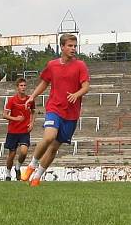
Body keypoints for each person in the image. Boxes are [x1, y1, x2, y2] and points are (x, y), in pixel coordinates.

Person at [20, 34, 90, 186]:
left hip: (71, 113)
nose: (73, 48)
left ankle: (37, 176)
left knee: (54, 147)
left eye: (75, 46)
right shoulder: (52, 65)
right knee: (49, 137)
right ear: (62, 47)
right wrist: (32, 96)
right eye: (70, 46)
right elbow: (44, 82)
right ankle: (32, 165)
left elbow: (86, 86)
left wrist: (76, 94)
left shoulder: (80, 65)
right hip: (54, 108)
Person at [3, 77, 36, 181]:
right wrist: (15, 118)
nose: (23, 87)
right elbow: (4, 115)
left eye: (24, 85)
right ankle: (8, 173)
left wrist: (32, 123)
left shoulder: (30, 99)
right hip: (13, 131)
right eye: (21, 85)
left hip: (24, 131)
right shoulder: (12, 100)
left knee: (24, 151)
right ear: (17, 87)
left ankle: (18, 167)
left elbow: (34, 112)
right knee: (11, 154)